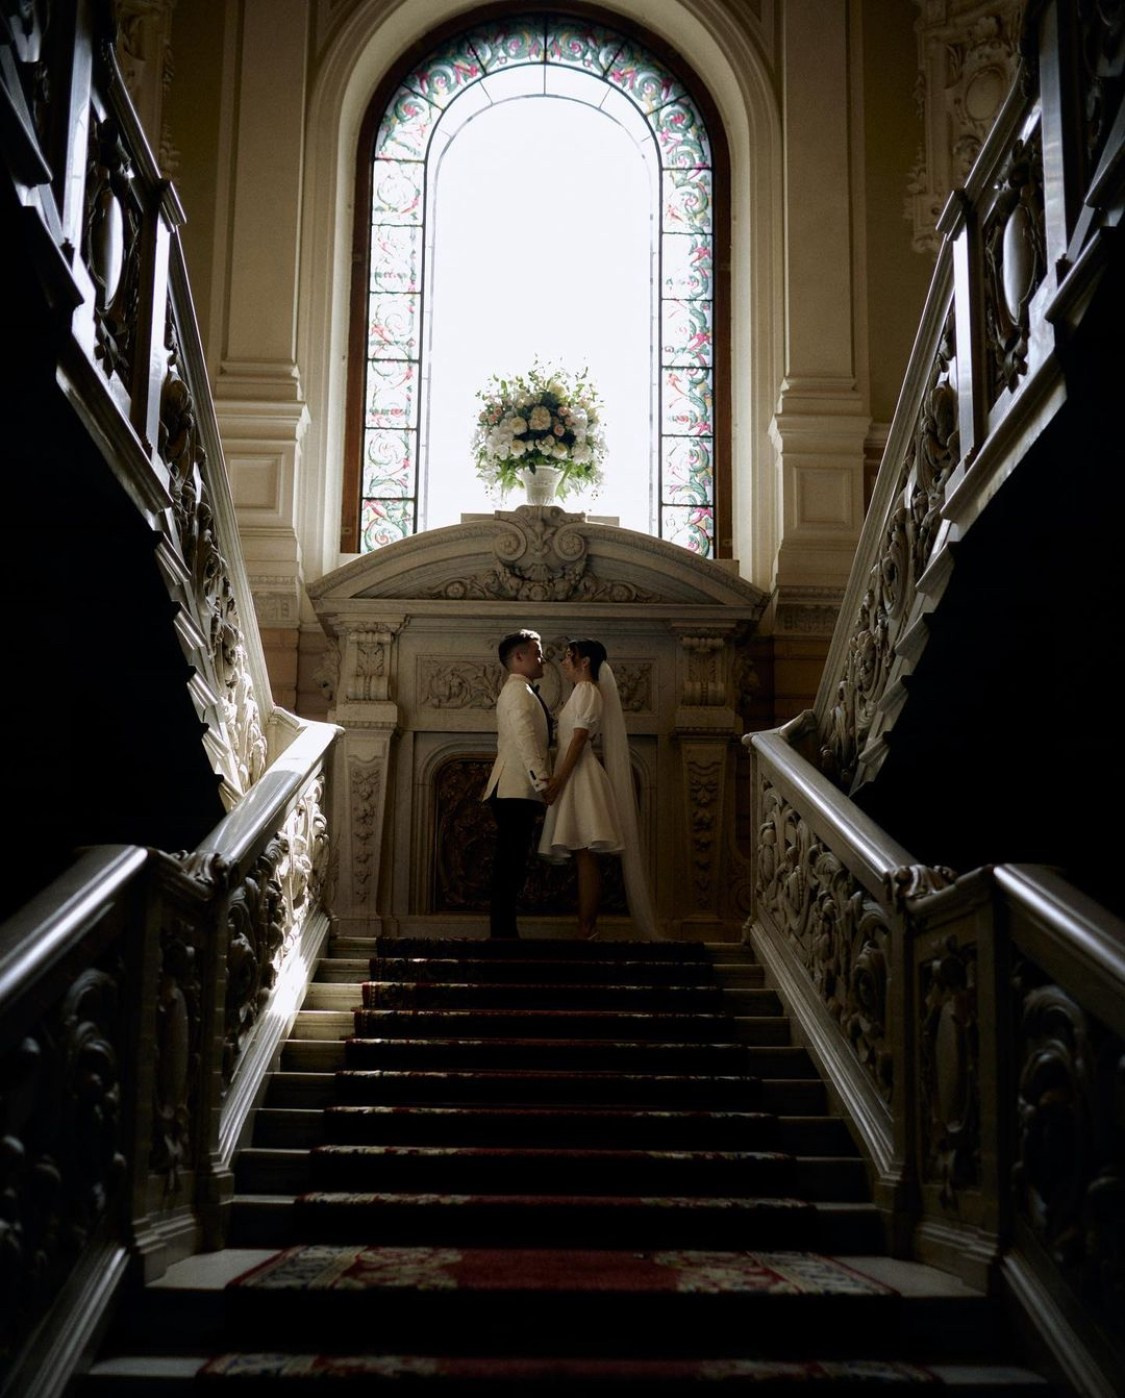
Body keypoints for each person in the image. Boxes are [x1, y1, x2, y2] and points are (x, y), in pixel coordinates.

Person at [539, 638, 658, 941]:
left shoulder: (589, 691)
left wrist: (558, 780)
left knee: (586, 854)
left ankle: (588, 927)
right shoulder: (579, 692)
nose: (563, 662)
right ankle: (586, 926)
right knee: (582, 854)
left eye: (569, 657)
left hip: (581, 777)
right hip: (573, 775)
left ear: (585, 662)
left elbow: (579, 740)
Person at [481, 628, 552, 939]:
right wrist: (542, 780)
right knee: (510, 862)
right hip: (514, 788)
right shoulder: (516, 691)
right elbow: (525, 739)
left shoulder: (524, 690)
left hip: (515, 789)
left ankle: (504, 929)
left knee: (513, 861)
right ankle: (503, 932)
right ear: (518, 657)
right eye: (536, 653)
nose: (542, 658)